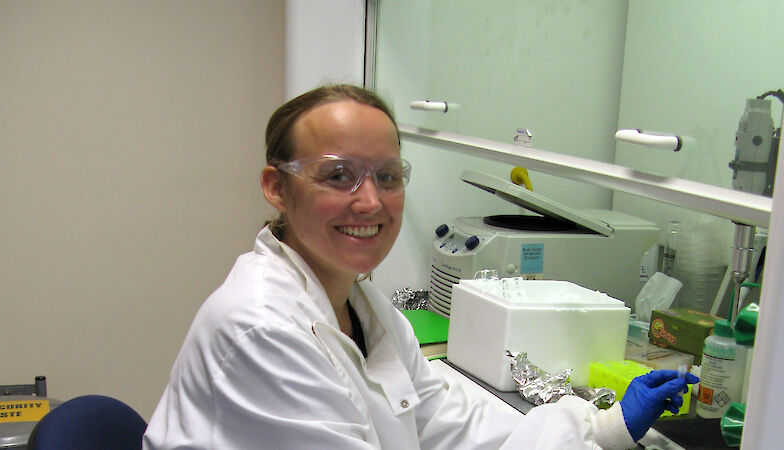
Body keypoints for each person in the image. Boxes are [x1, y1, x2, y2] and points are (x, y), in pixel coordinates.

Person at [143, 84, 698, 449]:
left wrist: (601, 427)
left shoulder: (361, 306)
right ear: (276, 187)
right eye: (338, 175)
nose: (370, 201)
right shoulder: (261, 328)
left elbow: (446, 423)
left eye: (388, 176)